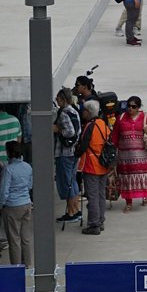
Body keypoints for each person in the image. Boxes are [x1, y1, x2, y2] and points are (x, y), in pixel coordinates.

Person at [114, 96, 147, 212]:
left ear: (138, 107)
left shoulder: (145, 117)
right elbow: (115, 135)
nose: (130, 108)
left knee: (142, 177)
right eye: (128, 106)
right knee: (127, 179)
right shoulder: (121, 118)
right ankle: (128, 202)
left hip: (141, 156)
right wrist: (113, 150)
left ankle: (145, 196)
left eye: (133, 106)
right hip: (125, 157)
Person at [77, 100, 112, 235]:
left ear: (88, 112)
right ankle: (100, 221)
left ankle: (93, 224)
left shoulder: (89, 126)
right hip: (104, 165)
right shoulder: (103, 124)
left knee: (92, 196)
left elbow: (83, 146)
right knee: (101, 195)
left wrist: (76, 152)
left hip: (92, 165)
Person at [0, 140, 33, 267]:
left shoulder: (8, 170)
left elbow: (3, 191)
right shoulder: (28, 166)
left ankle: (17, 266)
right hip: (26, 203)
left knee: (14, 239)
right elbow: (30, 185)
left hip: (12, 205)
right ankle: (28, 264)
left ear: (8, 153)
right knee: (25, 237)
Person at [52, 88, 82, 222]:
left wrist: (58, 130)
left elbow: (70, 132)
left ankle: (70, 212)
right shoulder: (74, 111)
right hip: (74, 151)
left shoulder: (64, 113)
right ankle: (75, 210)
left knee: (66, 182)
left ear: (63, 99)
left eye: (58, 99)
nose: (57, 101)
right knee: (72, 180)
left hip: (64, 153)